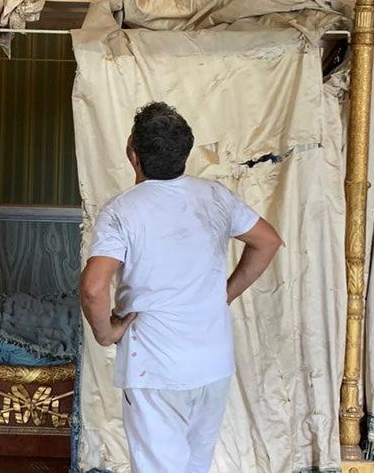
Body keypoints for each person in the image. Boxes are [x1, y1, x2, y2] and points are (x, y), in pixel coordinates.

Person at [80, 102, 283, 473]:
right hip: (213, 361)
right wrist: (226, 294)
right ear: (185, 153)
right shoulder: (216, 196)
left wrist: (106, 333)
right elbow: (267, 241)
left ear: (132, 154)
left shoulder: (121, 211)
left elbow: (94, 288)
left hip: (154, 368)